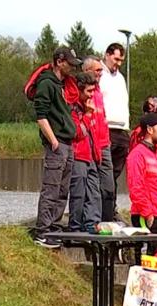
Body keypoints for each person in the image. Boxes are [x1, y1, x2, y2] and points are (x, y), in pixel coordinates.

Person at [30, 47, 82, 248]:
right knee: (51, 188)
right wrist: (53, 141)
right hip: (57, 142)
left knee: (62, 189)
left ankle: (54, 227)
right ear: (60, 62)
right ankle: (42, 230)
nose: (71, 67)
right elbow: (41, 115)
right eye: (69, 63)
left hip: (67, 142)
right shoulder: (46, 83)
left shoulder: (63, 84)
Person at [126, 112, 157, 251]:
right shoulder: (137, 154)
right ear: (150, 130)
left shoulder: (156, 154)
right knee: (146, 263)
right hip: (147, 217)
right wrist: (147, 213)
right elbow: (136, 187)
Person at [66, 72, 103, 233]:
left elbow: (93, 133)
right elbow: (77, 133)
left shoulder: (87, 107)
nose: (92, 95)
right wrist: (87, 115)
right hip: (78, 155)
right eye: (88, 91)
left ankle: (91, 223)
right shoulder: (73, 108)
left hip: (91, 156)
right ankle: (75, 226)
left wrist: (97, 154)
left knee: (94, 192)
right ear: (79, 90)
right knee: (78, 193)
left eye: (93, 91)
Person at [80, 56, 113, 225]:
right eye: (97, 70)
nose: (101, 73)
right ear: (87, 71)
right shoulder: (83, 91)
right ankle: (91, 222)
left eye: (101, 70)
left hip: (103, 144)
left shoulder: (99, 91)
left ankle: (107, 220)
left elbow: (102, 117)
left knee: (108, 187)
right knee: (90, 188)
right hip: (89, 145)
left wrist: (106, 140)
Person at [100, 42, 129, 221]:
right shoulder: (99, 74)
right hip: (106, 129)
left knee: (115, 175)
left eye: (121, 60)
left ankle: (112, 209)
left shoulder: (120, 78)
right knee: (105, 174)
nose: (118, 63)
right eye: (116, 58)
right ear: (107, 55)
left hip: (122, 130)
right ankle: (103, 211)